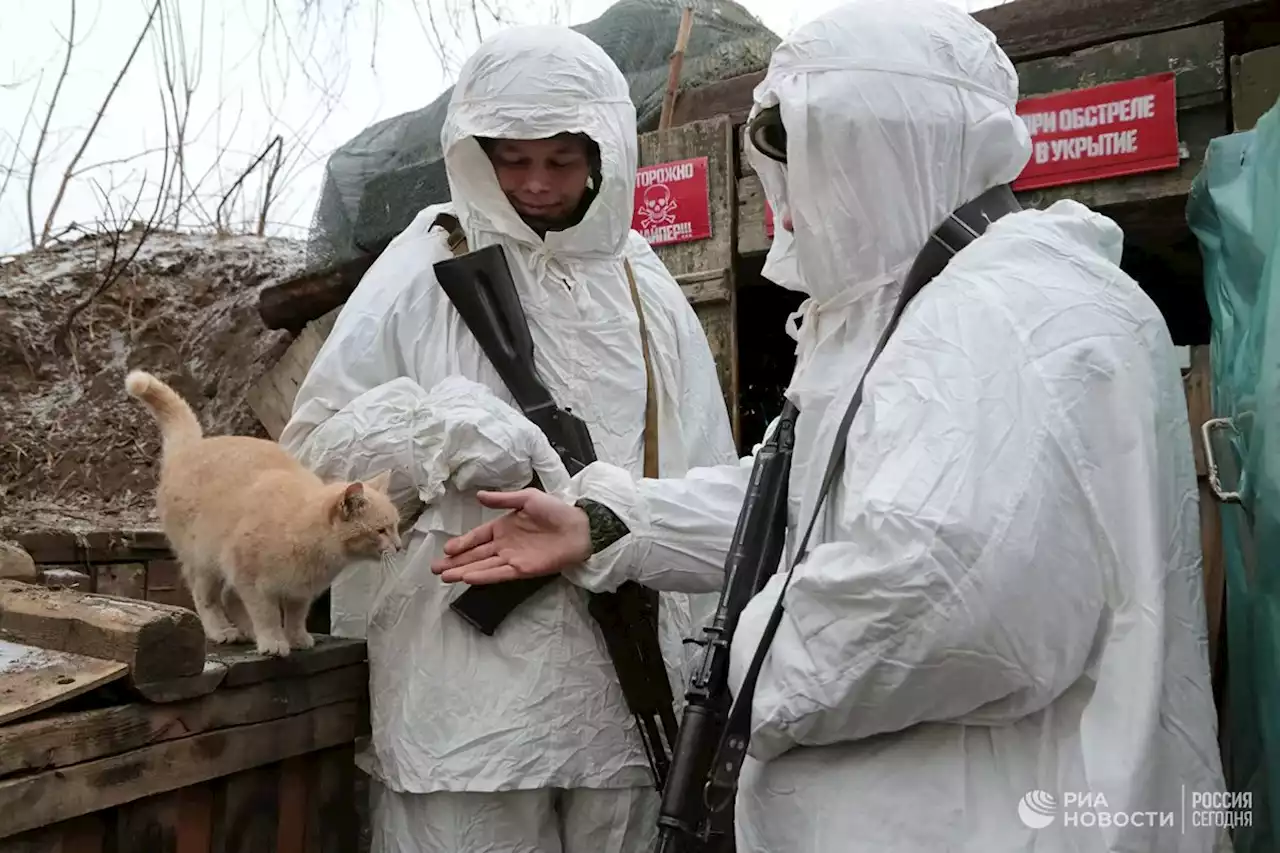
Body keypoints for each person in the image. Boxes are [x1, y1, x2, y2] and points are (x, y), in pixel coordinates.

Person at [429, 1, 1233, 851]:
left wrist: (729, 659)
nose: (786, 198)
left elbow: (932, 598)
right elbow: (810, 491)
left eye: (807, 159)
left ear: (884, 147)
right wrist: (611, 522)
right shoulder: (939, 306)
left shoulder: (1003, 317)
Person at [277, 23, 738, 853]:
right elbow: (314, 463)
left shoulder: (645, 284)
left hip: (626, 698)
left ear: (604, 151)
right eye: (512, 160)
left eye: (561, 160)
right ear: (472, 151)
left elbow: (706, 474)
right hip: (466, 707)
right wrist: (435, 430)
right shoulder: (426, 261)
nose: (534, 184)